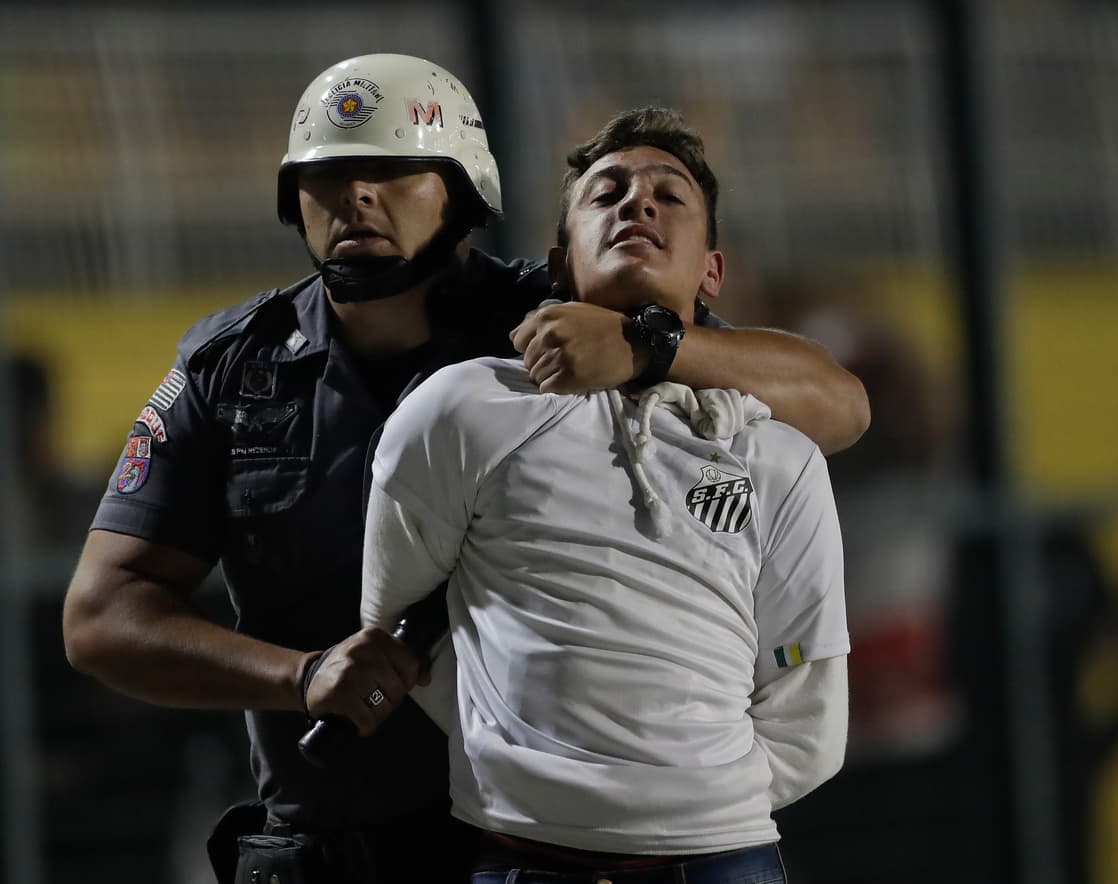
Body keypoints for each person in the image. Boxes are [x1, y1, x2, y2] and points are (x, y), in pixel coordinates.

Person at [61, 54, 867, 884]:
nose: (356, 195)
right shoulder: (231, 369)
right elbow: (103, 618)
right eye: (327, 173)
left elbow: (835, 404)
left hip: (520, 845)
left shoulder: (565, 315)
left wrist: (646, 344)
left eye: (392, 170)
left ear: (464, 192)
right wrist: (301, 677)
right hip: (325, 840)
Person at [359, 107, 849, 883]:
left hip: (725, 858)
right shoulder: (461, 410)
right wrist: (534, 775)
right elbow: (393, 627)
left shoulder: (776, 454)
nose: (636, 203)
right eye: (607, 191)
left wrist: (696, 797)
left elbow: (807, 702)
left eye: (669, 194)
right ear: (559, 265)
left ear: (711, 272)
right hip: (523, 857)